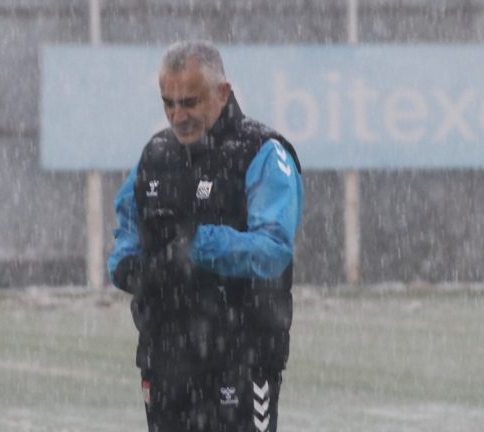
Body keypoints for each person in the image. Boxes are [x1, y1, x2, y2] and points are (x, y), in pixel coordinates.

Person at [108, 40, 303, 432]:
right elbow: (125, 238)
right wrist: (133, 269)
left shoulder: (263, 152)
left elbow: (273, 249)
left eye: (190, 102)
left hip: (241, 357)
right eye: (168, 103)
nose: (177, 116)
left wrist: (195, 244)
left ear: (223, 93)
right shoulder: (154, 156)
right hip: (165, 358)